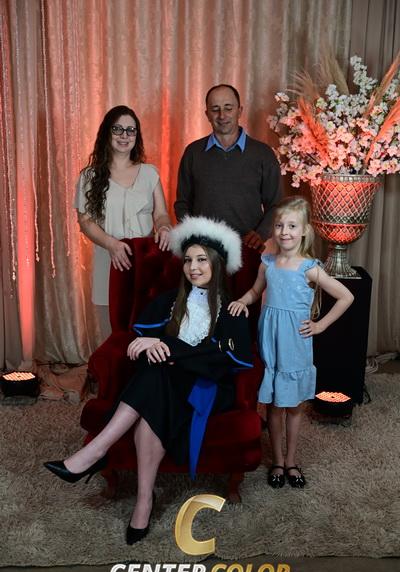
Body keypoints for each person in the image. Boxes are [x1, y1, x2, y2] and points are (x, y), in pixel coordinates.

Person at [44, 216, 253, 544]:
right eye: (188, 260)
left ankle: (97, 450)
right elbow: (137, 341)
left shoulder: (232, 310)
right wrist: (147, 345)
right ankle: (143, 500)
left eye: (201, 260)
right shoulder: (169, 302)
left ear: (217, 263)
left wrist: (166, 346)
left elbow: (226, 361)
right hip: (165, 386)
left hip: (206, 390)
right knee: (154, 382)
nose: (193, 267)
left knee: (158, 373)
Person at [228, 197, 354, 488]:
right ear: (273, 229)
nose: (285, 232)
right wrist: (242, 301)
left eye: (292, 226)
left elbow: (346, 296)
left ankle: (292, 460)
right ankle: (277, 461)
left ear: (305, 231)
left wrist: (320, 325)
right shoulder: (267, 263)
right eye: (280, 225)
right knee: (274, 404)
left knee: (294, 405)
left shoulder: (309, 268)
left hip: (295, 343)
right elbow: (255, 291)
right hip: (270, 340)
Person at [75, 105, 172, 339]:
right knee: (112, 333)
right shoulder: (89, 176)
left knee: (146, 330)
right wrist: (111, 244)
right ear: (106, 132)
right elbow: (85, 221)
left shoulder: (149, 173)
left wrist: (165, 227)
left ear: (136, 135)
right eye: (117, 129)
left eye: (131, 130)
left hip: (145, 261)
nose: (124, 135)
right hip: (109, 261)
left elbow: (161, 214)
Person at [174, 84, 281, 251]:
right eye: (215, 109)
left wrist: (260, 234)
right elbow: (182, 203)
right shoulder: (193, 152)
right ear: (207, 114)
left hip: (248, 249)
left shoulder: (263, 154)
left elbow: (276, 205)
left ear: (239, 111)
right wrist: (193, 234)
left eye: (228, 108)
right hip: (203, 250)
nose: (222, 115)